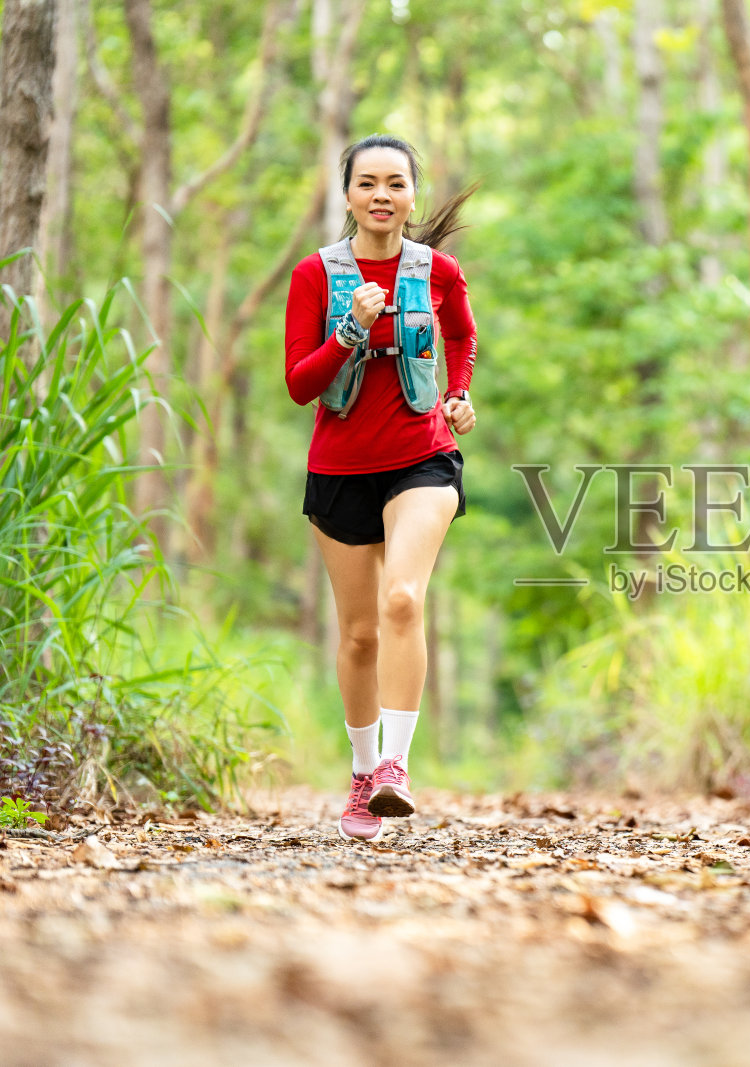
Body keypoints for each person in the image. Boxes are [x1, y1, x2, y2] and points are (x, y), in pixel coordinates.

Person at [283, 133, 478, 842]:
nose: (382, 196)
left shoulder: (439, 272)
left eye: (396, 183)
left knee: (403, 599)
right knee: (360, 633)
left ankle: (396, 764)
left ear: (412, 195)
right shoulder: (315, 274)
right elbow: (301, 382)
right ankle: (364, 775)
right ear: (347, 197)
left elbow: (461, 339)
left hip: (422, 457)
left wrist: (457, 395)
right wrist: (351, 328)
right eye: (368, 183)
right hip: (338, 470)